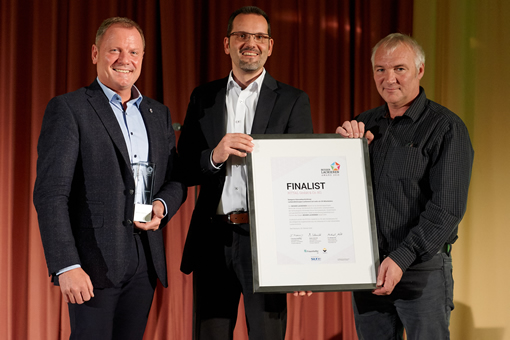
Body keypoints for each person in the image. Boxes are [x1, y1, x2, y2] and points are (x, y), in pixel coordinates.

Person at [33, 17, 186, 340]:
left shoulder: (158, 114)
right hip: (92, 265)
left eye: (133, 52)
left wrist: (161, 205)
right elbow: (51, 194)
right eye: (114, 50)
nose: (124, 60)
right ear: (94, 53)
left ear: (142, 58)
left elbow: (175, 179)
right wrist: (66, 265)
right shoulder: (69, 109)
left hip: (144, 262)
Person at [177, 6, 313, 340]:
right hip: (213, 239)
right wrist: (214, 156)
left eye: (258, 37)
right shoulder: (203, 97)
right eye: (241, 35)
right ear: (227, 44)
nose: (249, 43)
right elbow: (184, 167)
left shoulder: (294, 101)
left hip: (267, 245)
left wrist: (302, 257)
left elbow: (303, 184)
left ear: (270, 46)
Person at [336, 33, 474, 339]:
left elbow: (447, 208)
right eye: (380, 69)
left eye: (400, 68)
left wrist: (401, 257)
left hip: (421, 272)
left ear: (420, 70)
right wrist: (341, 153)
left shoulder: (446, 128)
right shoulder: (364, 125)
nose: (389, 79)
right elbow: (342, 199)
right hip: (369, 271)